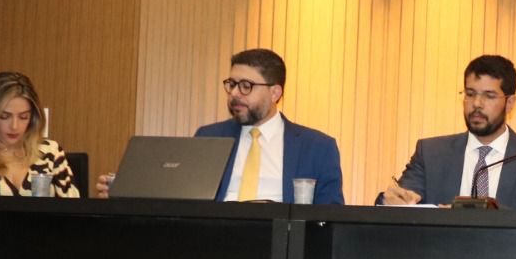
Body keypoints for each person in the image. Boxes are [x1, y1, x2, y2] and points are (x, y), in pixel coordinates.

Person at [97, 48, 343, 203]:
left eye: (246, 86)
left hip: (283, 248)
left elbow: (330, 218)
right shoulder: (209, 137)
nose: (234, 94)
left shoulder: (317, 147)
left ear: (275, 92)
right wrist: (123, 194)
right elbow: (179, 200)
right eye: (231, 84)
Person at [379, 54, 516, 210]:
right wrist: (390, 200)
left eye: (489, 96)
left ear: (510, 103)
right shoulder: (430, 154)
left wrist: (485, 214)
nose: (476, 104)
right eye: (470, 94)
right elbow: (400, 202)